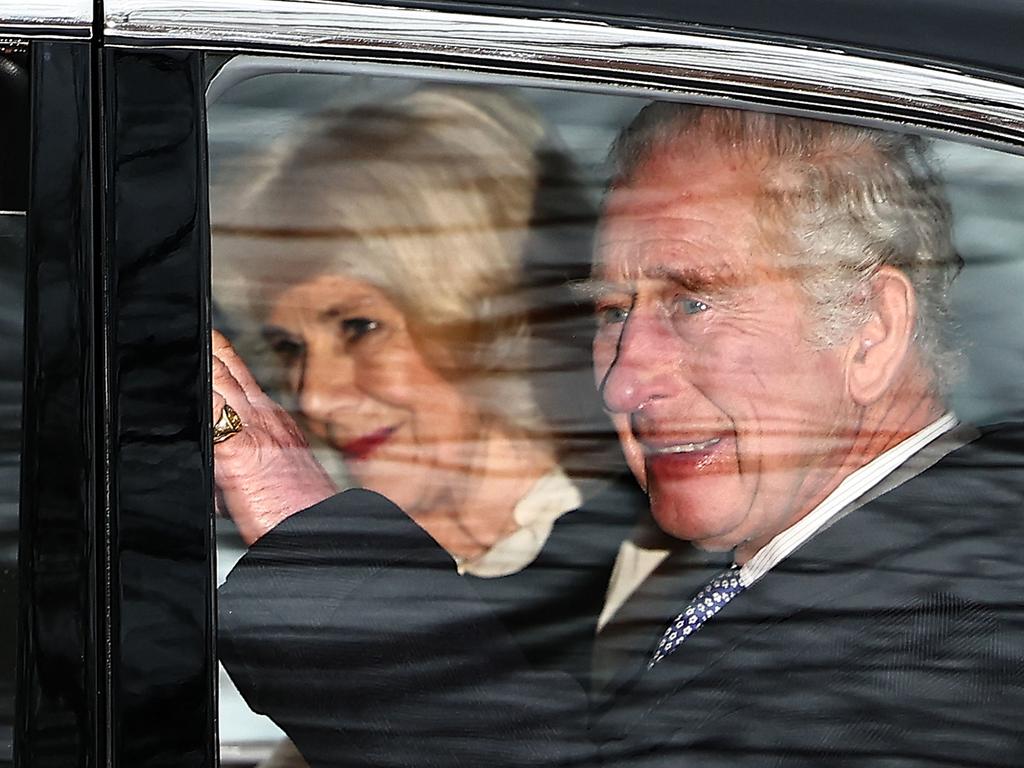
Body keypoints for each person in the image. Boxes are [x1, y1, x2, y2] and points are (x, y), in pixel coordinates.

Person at [217, 103, 1024, 767]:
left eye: (692, 302)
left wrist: (306, 535)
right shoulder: (790, 582)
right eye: (611, 312)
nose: (622, 379)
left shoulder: (955, 626)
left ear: (872, 332)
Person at [211, 85, 643, 689]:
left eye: (361, 327)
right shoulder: (392, 567)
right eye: (290, 348)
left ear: (490, 315)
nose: (315, 397)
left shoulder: (642, 587)